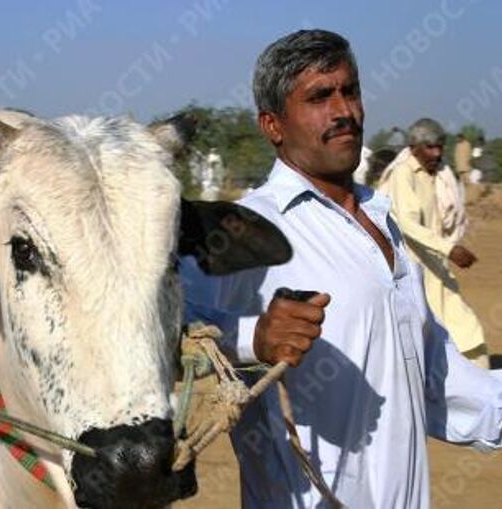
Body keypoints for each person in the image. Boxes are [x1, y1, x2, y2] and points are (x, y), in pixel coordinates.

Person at [181, 29, 502, 508]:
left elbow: (438, 378)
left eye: (349, 91)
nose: (343, 111)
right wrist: (252, 338)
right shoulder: (249, 226)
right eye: (318, 97)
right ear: (272, 125)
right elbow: (158, 324)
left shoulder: (380, 219)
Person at [378, 119, 489, 368]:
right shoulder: (403, 174)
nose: (437, 153)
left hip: (436, 266)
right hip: (415, 270)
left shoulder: (441, 174)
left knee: (463, 326)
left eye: (440, 147)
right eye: (430, 147)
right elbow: (406, 224)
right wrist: (450, 249)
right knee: (432, 333)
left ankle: (482, 385)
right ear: (414, 146)